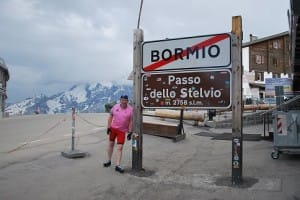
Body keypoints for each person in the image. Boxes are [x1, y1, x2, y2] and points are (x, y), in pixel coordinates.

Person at [103, 95, 133, 173]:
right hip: (113, 129)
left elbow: (131, 121)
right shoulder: (115, 107)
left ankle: (117, 165)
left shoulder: (130, 110)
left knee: (120, 147)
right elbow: (110, 116)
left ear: (127, 101)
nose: (123, 101)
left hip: (122, 131)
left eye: (125, 100)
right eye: (122, 100)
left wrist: (130, 132)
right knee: (111, 144)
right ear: (120, 100)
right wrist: (108, 127)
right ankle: (109, 161)